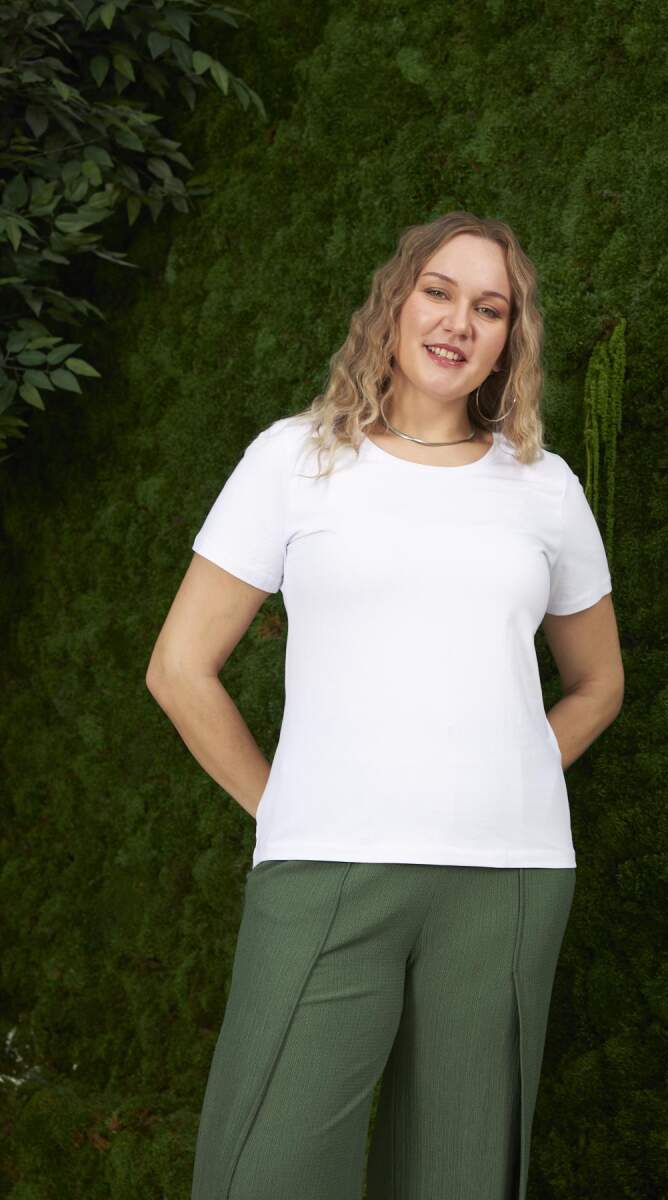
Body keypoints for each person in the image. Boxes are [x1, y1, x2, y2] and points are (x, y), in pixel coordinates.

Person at [146, 210, 625, 1200]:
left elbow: (598, 683)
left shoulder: (543, 487)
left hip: (507, 876)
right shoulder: (295, 460)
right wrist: (282, 806)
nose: (458, 322)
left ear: (509, 338)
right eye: (438, 293)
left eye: (489, 308)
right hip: (327, 862)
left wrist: (513, 769)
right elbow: (179, 668)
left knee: (460, 1177)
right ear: (394, 304)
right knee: (265, 1171)